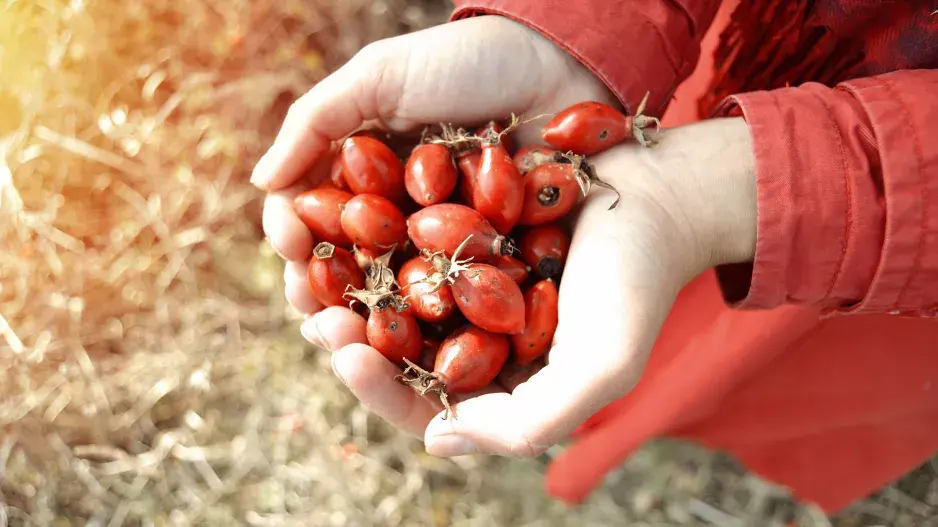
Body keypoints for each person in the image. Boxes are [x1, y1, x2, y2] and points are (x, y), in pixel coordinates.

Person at [250, 0, 938, 514]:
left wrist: (738, 193)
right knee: (658, 348)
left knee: (756, 370)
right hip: (723, 64)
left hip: (878, 243)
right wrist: (568, 29)